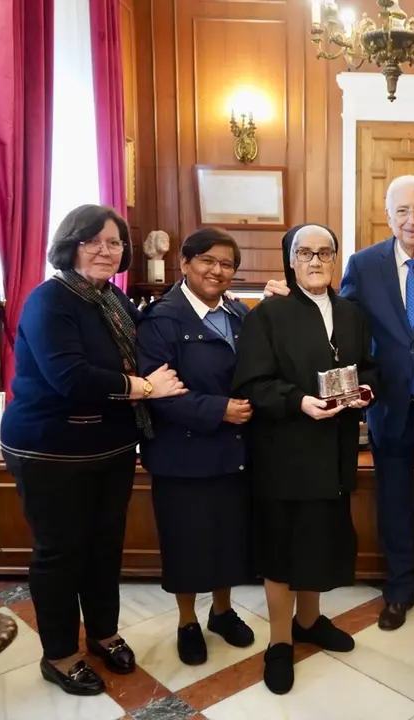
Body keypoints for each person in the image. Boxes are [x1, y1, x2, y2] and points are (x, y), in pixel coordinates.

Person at [263, 175, 414, 639]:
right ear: (387, 216)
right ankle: (398, 590)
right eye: (402, 211)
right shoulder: (363, 264)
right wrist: (293, 297)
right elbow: (336, 317)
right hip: (388, 407)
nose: (412, 219)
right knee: (392, 504)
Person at [0, 204, 187, 696]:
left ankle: (103, 633)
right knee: (61, 553)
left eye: (115, 242)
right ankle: (60, 655)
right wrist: (145, 389)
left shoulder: (114, 301)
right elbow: (70, 377)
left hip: (112, 446)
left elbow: (152, 329)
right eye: (94, 241)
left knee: (105, 548)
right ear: (71, 243)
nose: (106, 250)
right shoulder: (49, 301)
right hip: (51, 449)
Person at [233, 224, 378, 695]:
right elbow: (253, 384)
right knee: (282, 546)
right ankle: (279, 642)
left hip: (334, 450)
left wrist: (367, 391)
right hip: (285, 451)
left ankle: (309, 621)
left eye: (325, 253)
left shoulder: (352, 313)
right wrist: (299, 401)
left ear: (336, 259)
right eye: (305, 253)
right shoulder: (267, 316)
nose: (316, 261)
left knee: (320, 539)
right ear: (291, 260)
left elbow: (368, 367)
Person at [136, 228, 256, 667]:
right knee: (187, 543)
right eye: (208, 260)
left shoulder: (241, 315)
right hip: (181, 453)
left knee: (228, 538)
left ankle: (222, 612)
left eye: (227, 264)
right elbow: (157, 390)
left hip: (234, 451)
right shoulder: (161, 319)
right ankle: (187, 621)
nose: (217, 270)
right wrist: (217, 410)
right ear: (184, 263)